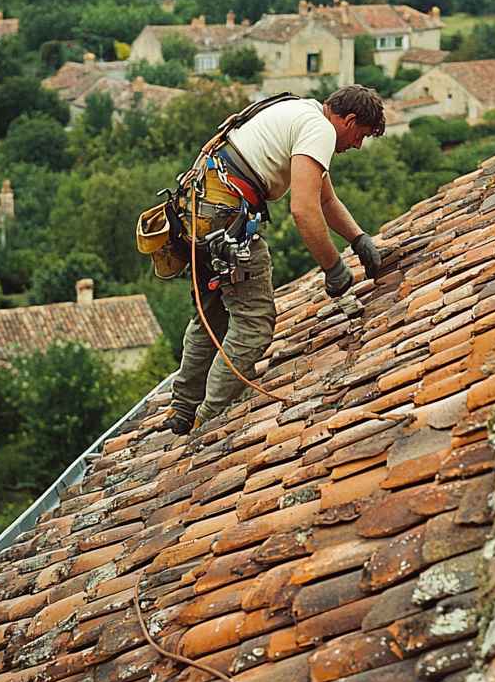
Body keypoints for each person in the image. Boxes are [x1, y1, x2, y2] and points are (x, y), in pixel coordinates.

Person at [164, 84, 386, 435]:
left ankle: (182, 406)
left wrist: (359, 240)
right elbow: (304, 210)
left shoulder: (300, 112)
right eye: (361, 135)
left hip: (198, 215)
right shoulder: (319, 129)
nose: (357, 145)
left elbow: (326, 200)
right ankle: (209, 420)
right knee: (254, 322)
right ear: (349, 120)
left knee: (214, 316)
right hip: (226, 220)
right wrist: (334, 268)